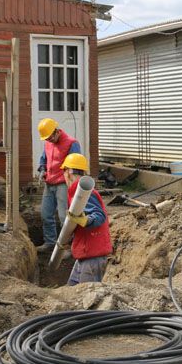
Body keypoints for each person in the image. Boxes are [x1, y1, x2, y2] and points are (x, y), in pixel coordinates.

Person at [59, 153, 113, 285]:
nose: (63, 176)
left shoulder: (85, 193)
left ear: (69, 172)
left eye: (64, 172)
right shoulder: (76, 191)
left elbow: (99, 216)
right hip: (85, 254)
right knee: (71, 291)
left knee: (86, 300)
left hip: (93, 257)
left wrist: (86, 221)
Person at [36, 118, 81, 252]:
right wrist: (43, 170)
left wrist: (72, 185)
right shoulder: (48, 143)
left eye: (50, 138)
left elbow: (75, 165)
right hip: (49, 183)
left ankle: (68, 248)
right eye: (46, 139)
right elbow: (44, 159)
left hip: (63, 184)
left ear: (56, 132)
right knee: (45, 214)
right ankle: (50, 242)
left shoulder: (72, 143)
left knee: (64, 217)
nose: (49, 141)